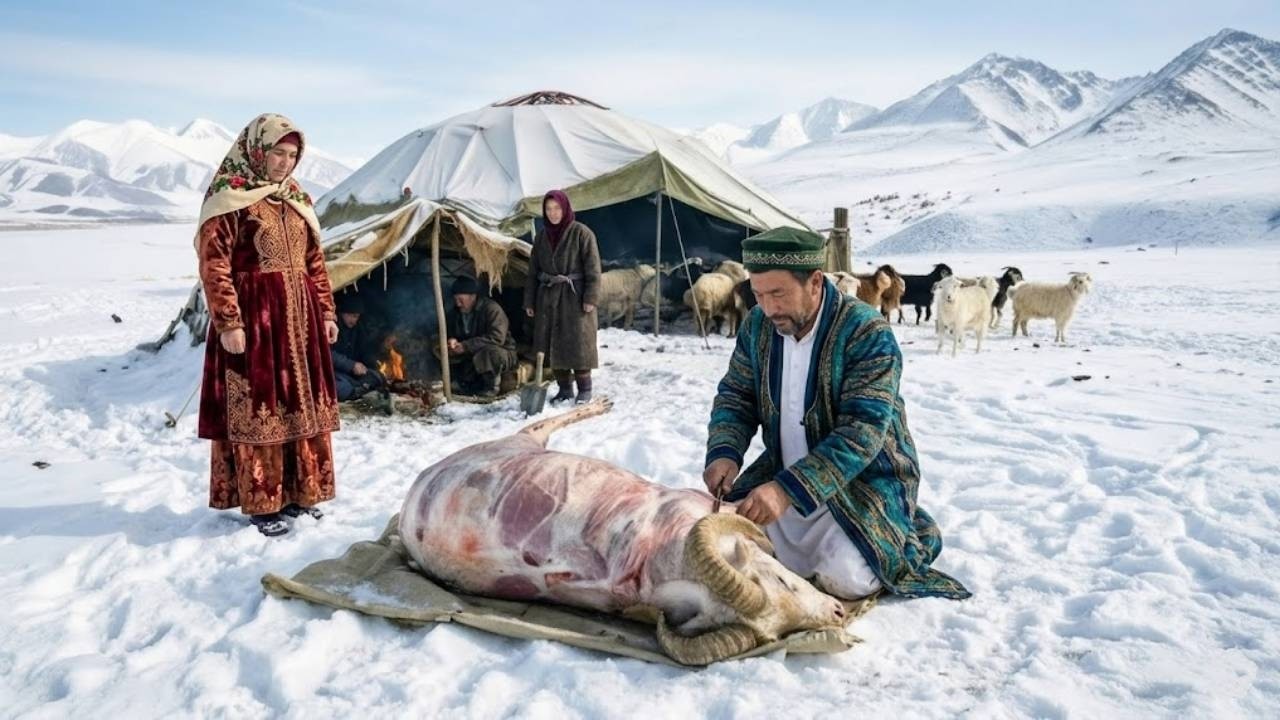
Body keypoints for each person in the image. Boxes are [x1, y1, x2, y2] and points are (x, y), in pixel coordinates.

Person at [702, 227, 969, 601]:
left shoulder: (867, 333)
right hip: (782, 475)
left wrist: (786, 491)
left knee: (845, 579)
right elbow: (737, 395)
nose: (768, 307)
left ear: (814, 282)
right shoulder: (758, 326)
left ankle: (907, 530)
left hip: (860, 483)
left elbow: (861, 433)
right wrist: (725, 452)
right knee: (725, 548)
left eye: (778, 294)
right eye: (759, 294)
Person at [196, 113, 339, 538]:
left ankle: (298, 493)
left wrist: (327, 312)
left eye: (292, 155)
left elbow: (316, 263)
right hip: (254, 320)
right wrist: (228, 322)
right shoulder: (229, 198)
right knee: (260, 409)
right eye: (278, 152)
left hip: (301, 322)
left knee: (300, 408)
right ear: (257, 150)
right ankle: (263, 503)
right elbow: (214, 264)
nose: (285, 162)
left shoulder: (296, 199)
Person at [522, 190, 601, 404]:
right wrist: (529, 301)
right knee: (552, 344)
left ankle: (585, 389)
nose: (553, 213)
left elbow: (593, 269)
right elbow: (532, 271)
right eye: (548, 209)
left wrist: (590, 298)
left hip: (574, 298)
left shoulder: (582, 233)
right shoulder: (541, 237)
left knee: (578, 343)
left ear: (565, 208)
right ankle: (565, 389)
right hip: (548, 296)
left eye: (557, 208)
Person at [443, 276, 518, 397]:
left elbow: (497, 338)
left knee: (488, 352)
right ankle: (465, 383)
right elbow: (449, 332)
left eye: (461, 299)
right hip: (472, 353)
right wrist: (452, 340)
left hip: (502, 353)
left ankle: (491, 387)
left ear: (473, 297)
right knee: (441, 350)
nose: (458, 303)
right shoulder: (455, 313)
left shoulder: (492, 309)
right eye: (455, 299)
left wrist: (466, 346)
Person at [331, 294, 385, 401]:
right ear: (343, 313)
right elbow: (327, 354)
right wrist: (351, 365)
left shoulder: (357, 328)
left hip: (349, 373)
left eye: (357, 316)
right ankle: (356, 390)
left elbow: (364, 350)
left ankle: (357, 389)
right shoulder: (333, 327)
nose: (355, 320)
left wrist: (373, 364)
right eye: (352, 316)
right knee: (341, 387)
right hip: (334, 371)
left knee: (377, 377)